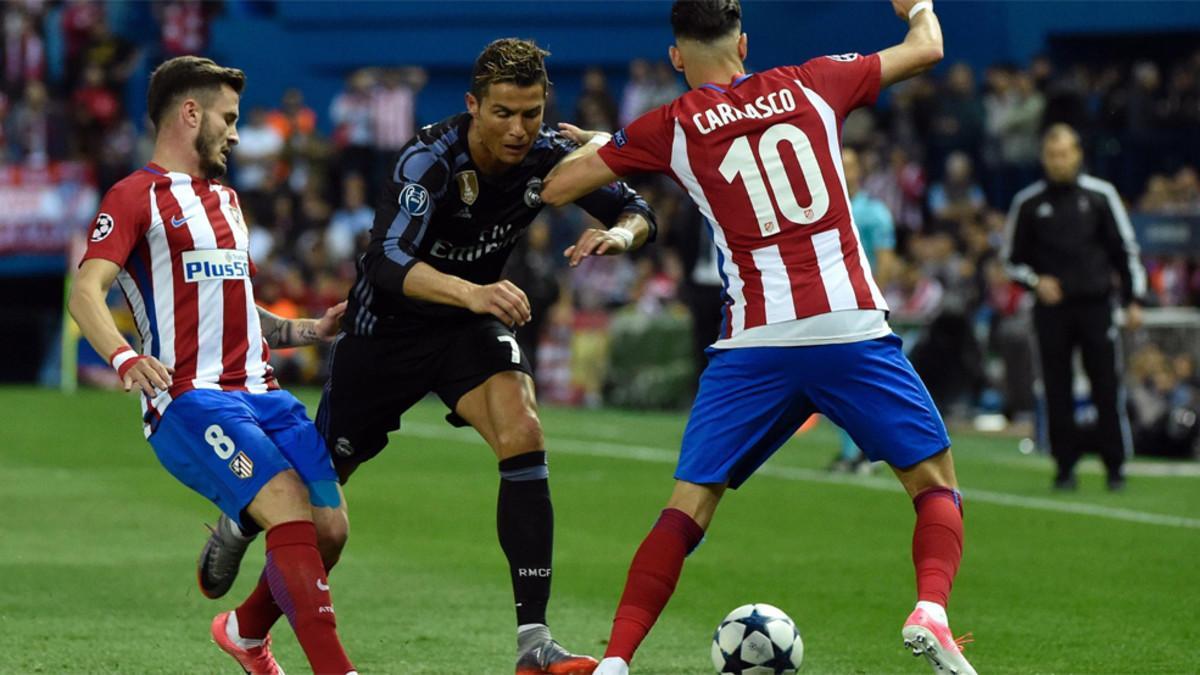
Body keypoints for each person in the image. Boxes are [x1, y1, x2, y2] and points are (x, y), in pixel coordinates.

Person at [197, 38, 656, 675]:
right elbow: (385, 263)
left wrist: (617, 234)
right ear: (473, 105)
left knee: (523, 430)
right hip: (384, 334)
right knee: (313, 515)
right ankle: (245, 575)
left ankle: (534, 643)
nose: (519, 129)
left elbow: (637, 208)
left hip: (466, 328)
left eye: (531, 112)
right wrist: (474, 290)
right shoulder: (429, 158)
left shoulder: (551, 155)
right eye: (502, 113)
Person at [541, 2, 975, 674]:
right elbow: (926, 49)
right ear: (744, 42)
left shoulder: (673, 125)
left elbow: (560, 184)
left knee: (688, 506)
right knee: (934, 484)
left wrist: (616, 146)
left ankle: (617, 660)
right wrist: (917, 6)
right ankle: (931, 610)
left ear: (676, 59)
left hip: (755, 342)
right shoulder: (815, 81)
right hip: (848, 327)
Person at [68, 56, 356, 675]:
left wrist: (309, 330)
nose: (234, 133)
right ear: (189, 113)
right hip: (191, 399)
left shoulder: (226, 199)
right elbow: (86, 290)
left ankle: (246, 632)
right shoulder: (134, 195)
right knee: (286, 506)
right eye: (228, 119)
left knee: (330, 530)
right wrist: (122, 356)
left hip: (265, 395)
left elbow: (235, 306)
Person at [1002, 123, 1146, 491]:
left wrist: (1133, 299)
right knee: (1055, 388)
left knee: (1106, 386)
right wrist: (1037, 282)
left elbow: (1124, 250)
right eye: (1052, 155)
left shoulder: (1100, 196)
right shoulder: (1029, 203)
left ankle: (1116, 467)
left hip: (1096, 305)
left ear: (1078, 154)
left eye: (1065, 153)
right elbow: (1011, 261)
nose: (1059, 161)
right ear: (1043, 158)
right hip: (1052, 311)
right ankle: (1064, 468)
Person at [828, 146, 898, 473]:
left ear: (860, 172)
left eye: (851, 166)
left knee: (862, 383)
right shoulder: (816, 208)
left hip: (861, 307)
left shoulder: (874, 213)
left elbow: (885, 261)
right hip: (827, 308)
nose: (845, 171)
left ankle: (868, 451)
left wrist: (871, 302)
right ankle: (851, 451)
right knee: (835, 384)